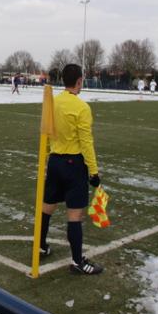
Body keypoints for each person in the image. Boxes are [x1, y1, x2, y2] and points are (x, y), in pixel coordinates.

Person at [39, 64, 104, 275]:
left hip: (55, 161)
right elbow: (86, 142)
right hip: (74, 165)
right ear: (79, 81)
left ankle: (40, 246)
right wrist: (93, 172)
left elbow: (46, 135)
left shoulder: (53, 103)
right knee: (74, 215)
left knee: (47, 207)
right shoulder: (82, 108)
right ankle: (77, 262)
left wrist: (49, 156)